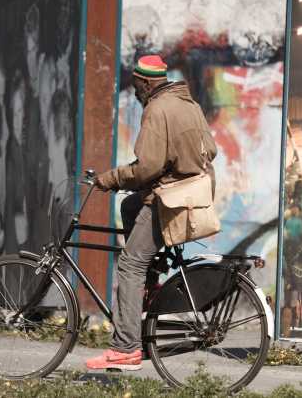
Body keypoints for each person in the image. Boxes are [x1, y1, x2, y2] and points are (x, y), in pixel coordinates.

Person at [88, 55, 217, 370]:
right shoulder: (189, 105)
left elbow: (146, 168)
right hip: (194, 192)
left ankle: (125, 347)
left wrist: (109, 179)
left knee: (129, 264)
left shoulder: (157, 109)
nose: (134, 92)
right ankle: (151, 281)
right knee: (130, 205)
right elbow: (210, 149)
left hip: (171, 199)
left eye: (135, 85)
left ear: (145, 83)